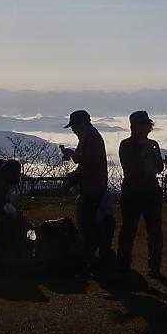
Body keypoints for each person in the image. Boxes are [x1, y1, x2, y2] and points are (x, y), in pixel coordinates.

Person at [61, 109, 113, 269]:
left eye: (74, 126)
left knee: (87, 224)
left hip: (93, 188)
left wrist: (71, 153)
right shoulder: (89, 136)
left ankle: (91, 258)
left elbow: (87, 160)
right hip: (93, 186)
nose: (73, 130)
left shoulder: (91, 137)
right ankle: (94, 256)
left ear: (81, 124)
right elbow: (84, 162)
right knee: (91, 223)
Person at [118, 110, 165, 277]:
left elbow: (159, 168)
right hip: (133, 192)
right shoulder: (126, 145)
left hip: (149, 192)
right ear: (134, 127)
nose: (144, 128)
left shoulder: (153, 144)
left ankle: (154, 267)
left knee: (154, 231)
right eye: (141, 125)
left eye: (146, 124)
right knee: (128, 230)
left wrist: (151, 157)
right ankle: (123, 265)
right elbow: (129, 168)